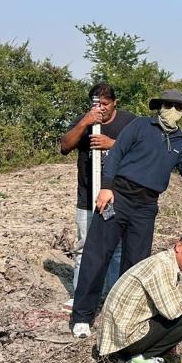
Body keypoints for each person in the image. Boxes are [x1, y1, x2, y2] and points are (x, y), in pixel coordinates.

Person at [69, 88, 182, 338]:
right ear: (160, 107)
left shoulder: (181, 143)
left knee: (135, 264)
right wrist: (106, 188)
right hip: (119, 196)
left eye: (179, 108)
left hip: (146, 206)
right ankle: (82, 316)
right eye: (169, 105)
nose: (174, 111)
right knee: (97, 255)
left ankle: (123, 316)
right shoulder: (140, 126)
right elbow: (115, 155)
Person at [58, 83, 135, 309]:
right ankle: (82, 293)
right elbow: (64, 146)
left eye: (105, 104)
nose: (101, 108)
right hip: (87, 196)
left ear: (114, 102)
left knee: (116, 248)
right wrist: (85, 122)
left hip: (117, 196)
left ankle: (113, 296)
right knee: (84, 246)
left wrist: (112, 144)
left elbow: (142, 152)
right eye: (96, 104)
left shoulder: (129, 123)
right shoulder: (85, 121)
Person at [95, 229, 182, 363]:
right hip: (123, 340)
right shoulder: (162, 266)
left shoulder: (165, 261)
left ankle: (136, 353)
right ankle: (139, 358)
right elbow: (172, 312)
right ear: (179, 247)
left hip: (117, 337)